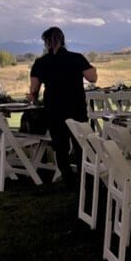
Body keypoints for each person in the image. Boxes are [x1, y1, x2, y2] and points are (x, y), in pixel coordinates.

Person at [28, 27, 97, 187]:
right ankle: (84, 178)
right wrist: (93, 68)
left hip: (54, 109)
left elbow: (34, 91)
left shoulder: (40, 63)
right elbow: (92, 78)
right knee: (81, 146)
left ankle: (68, 179)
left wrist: (34, 99)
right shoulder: (76, 58)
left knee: (61, 147)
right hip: (76, 108)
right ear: (63, 40)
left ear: (46, 43)